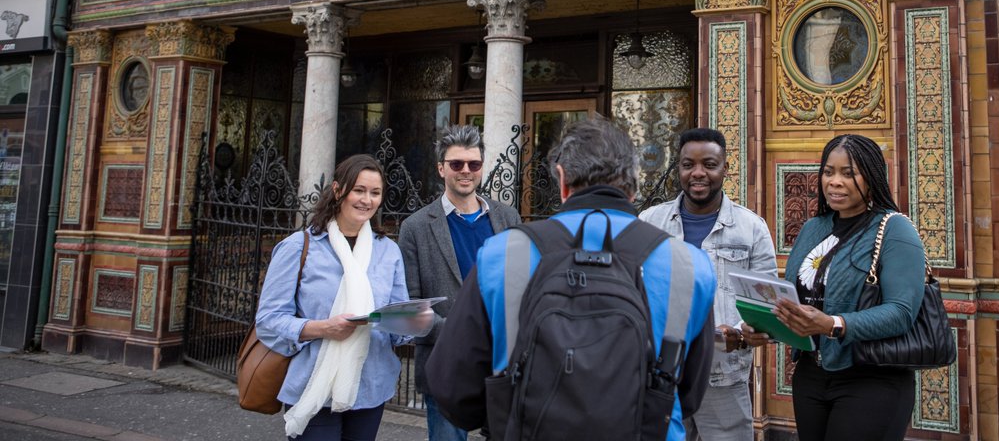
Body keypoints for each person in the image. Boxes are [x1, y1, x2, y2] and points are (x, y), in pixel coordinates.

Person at [425, 117, 718, 440]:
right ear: (633, 186)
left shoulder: (503, 254)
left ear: (562, 181)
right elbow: (689, 394)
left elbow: (452, 387)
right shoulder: (688, 265)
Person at [255, 154, 433, 440]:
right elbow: (268, 321)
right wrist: (323, 328)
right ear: (338, 190)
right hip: (313, 384)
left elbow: (397, 328)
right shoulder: (298, 247)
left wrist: (413, 322)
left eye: (375, 193)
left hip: (370, 385)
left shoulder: (387, 251)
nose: (367, 200)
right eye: (359, 190)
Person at [769, 134, 927, 441]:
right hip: (811, 375)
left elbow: (901, 312)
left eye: (848, 173)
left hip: (872, 377)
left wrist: (833, 324)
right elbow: (797, 295)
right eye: (829, 172)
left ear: (872, 177)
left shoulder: (895, 230)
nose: (835, 182)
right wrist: (765, 327)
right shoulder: (814, 228)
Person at [639, 128, 775, 441]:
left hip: (723, 376)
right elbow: (635, 288)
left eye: (709, 165)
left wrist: (741, 334)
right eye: (688, 165)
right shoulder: (650, 222)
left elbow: (765, 302)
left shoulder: (751, 228)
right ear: (679, 168)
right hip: (661, 374)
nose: (698, 173)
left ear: (725, 168)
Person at [397, 124, 522, 441]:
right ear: (441, 169)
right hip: (446, 364)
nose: (466, 171)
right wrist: (463, 332)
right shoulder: (415, 228)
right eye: (456, 164)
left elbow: (522, 287)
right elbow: (411, 310)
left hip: (503, 363)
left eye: (474, 164)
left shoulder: (508, 218)